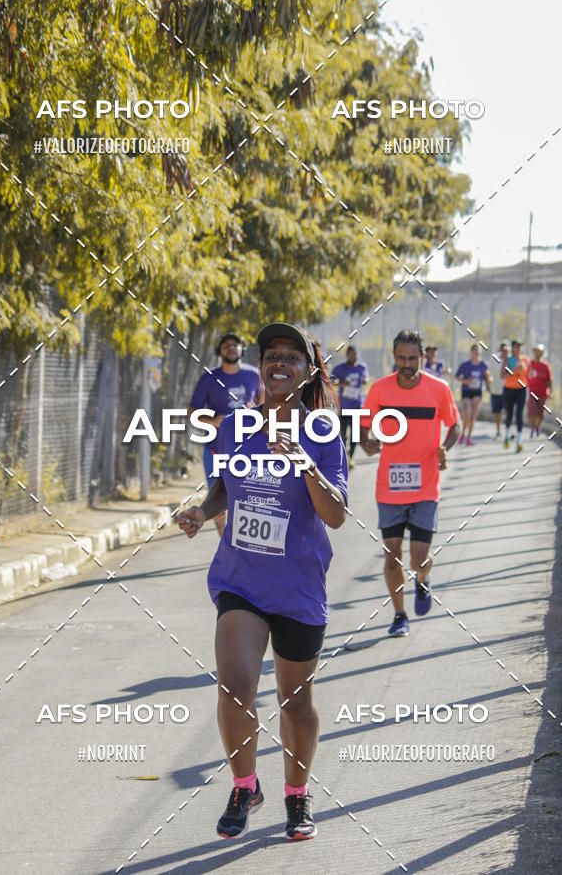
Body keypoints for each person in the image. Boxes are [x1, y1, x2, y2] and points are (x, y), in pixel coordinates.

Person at [178, 323, 348, 841]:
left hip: (297, 586)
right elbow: (223, 487)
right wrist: (201, 512)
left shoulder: (323, 434)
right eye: (271, 354)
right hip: (241, 581)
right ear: (262, 367)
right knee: (235, 691)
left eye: (291, 356)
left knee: (295, 703)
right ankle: (245, 785)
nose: (279, 362)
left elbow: (337, 515)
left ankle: (297, 795)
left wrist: (303, 464)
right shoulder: (234, 426)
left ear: (306, 370)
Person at [360, 330, 460, 637]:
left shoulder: (438, 389)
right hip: (389, 486)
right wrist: (367, 443)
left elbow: (454, 424)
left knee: (418, 558)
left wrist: (446, 447)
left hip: (426, 486)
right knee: (392, 556)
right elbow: (363, 427)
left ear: (422, 358)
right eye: (401, 358)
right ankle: (399, 615)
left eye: (412, 358)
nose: (407, 364)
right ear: (394, 357)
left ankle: (423, 579)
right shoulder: (379, 390)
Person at [188, 333, 259, 534]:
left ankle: (245, 548)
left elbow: (267, 406)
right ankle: (227, 548)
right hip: (215, 451)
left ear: (242, 350)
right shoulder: (209, 379)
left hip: (249, 450)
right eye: (226, 345)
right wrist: (214, 422)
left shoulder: (254, 376)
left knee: (249, 502)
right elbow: (192, 413)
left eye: (235, 345)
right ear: (219, 351)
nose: (231, 348)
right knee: (218, 506)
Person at [331, 346, 368, 469]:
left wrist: (365, 380)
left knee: (355, 435)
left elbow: (365, 378)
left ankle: (350, 458)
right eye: (351, 354)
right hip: (344, 406)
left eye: (355, 354)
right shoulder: (340, 368)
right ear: (347, 355)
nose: (353, 357)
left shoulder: (362, 367)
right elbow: (329, 381)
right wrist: (341, 384)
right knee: (342, 434)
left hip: (357, 405)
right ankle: (343, 456)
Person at [455, 344, 492, 445]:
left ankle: (469, 437)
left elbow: (487, 378)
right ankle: (462, 434)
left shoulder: (483, 365)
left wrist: (489, 381)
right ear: (471, 352)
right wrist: (465, 381)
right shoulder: (465, 365)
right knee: (467, 413)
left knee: (473, 417)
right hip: (467, 391)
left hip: (477, 392)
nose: (476, 353)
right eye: (474, 350)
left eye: (478, 351)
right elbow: (457, 376)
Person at [501, 340, 529, 452]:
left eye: (520, 347)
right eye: (516, 347)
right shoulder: (508, 361)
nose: (518, 349)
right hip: (509, 390)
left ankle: (519, 441)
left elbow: (528, 374)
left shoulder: (525, 360)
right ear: (512, 348)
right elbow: (502, 376)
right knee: (509, 414)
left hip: (521, 389)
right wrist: (514, 370)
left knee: (519, 414)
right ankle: (507, 436)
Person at [527, 344, 552, 437]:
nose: (537, 354)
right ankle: (533, 428)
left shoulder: (545, 365)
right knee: (532, 412)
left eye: (539, 352)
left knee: (541, 413)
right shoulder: (531, 364)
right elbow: (527, 376)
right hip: (532, 392)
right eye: (536, 352)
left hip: (543, 392)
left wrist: (550, 392)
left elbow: (549, 379)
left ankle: (537, 426)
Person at [490, 342, 509, 439]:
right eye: (503, 350)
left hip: (507, 390)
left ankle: (507, 431)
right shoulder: (494, 359)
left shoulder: (510, 360)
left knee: (507, 411)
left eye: (506, 350)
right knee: (496, 412)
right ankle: (498, 431)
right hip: (495, 390)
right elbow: (490, 372)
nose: (504, 352)